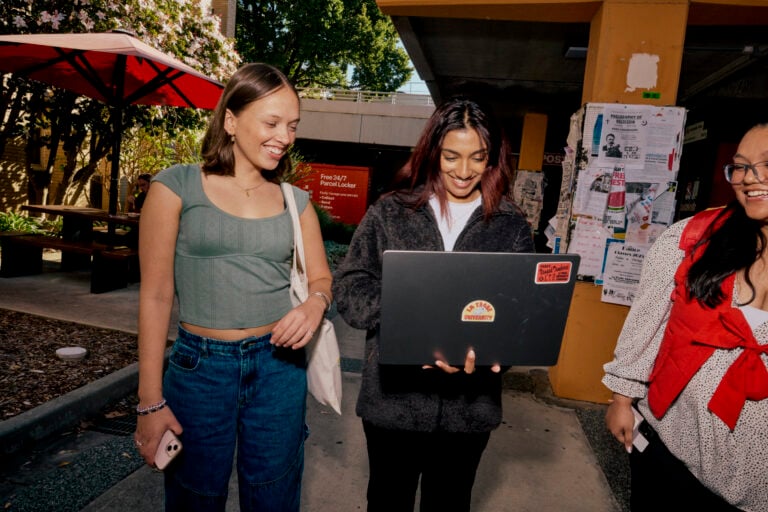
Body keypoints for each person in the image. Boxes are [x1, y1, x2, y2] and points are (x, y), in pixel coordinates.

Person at [132, 62, 333, 511]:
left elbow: (321, 279)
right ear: (230, 119)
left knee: (274, 498)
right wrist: (149, 402)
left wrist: (314, 305)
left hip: (279, 369)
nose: (285, 136)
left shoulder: (294, 201)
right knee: (194, 499)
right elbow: (156, 295)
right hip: (198, 369)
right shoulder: (175, 186)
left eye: (293, 126)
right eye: (272, 122)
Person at [332, 97, 535, 511]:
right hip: (393, 404)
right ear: (432, 153)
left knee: (449, 502)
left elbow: (521, 313)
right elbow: (349, 287)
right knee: (388, 500)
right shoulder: (391, 212)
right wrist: (410, 321)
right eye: (452, 157)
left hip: (468, 410)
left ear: (492, 158)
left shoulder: (511, 226)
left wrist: (496, 353)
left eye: (477, 158)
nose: (464, 171)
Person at [603, 124, 768, 512]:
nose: (749, 178)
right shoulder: (693, 238)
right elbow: (647, 323)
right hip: (675, 452)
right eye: (741, 167)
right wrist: (621, 397)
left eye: (766, 165)